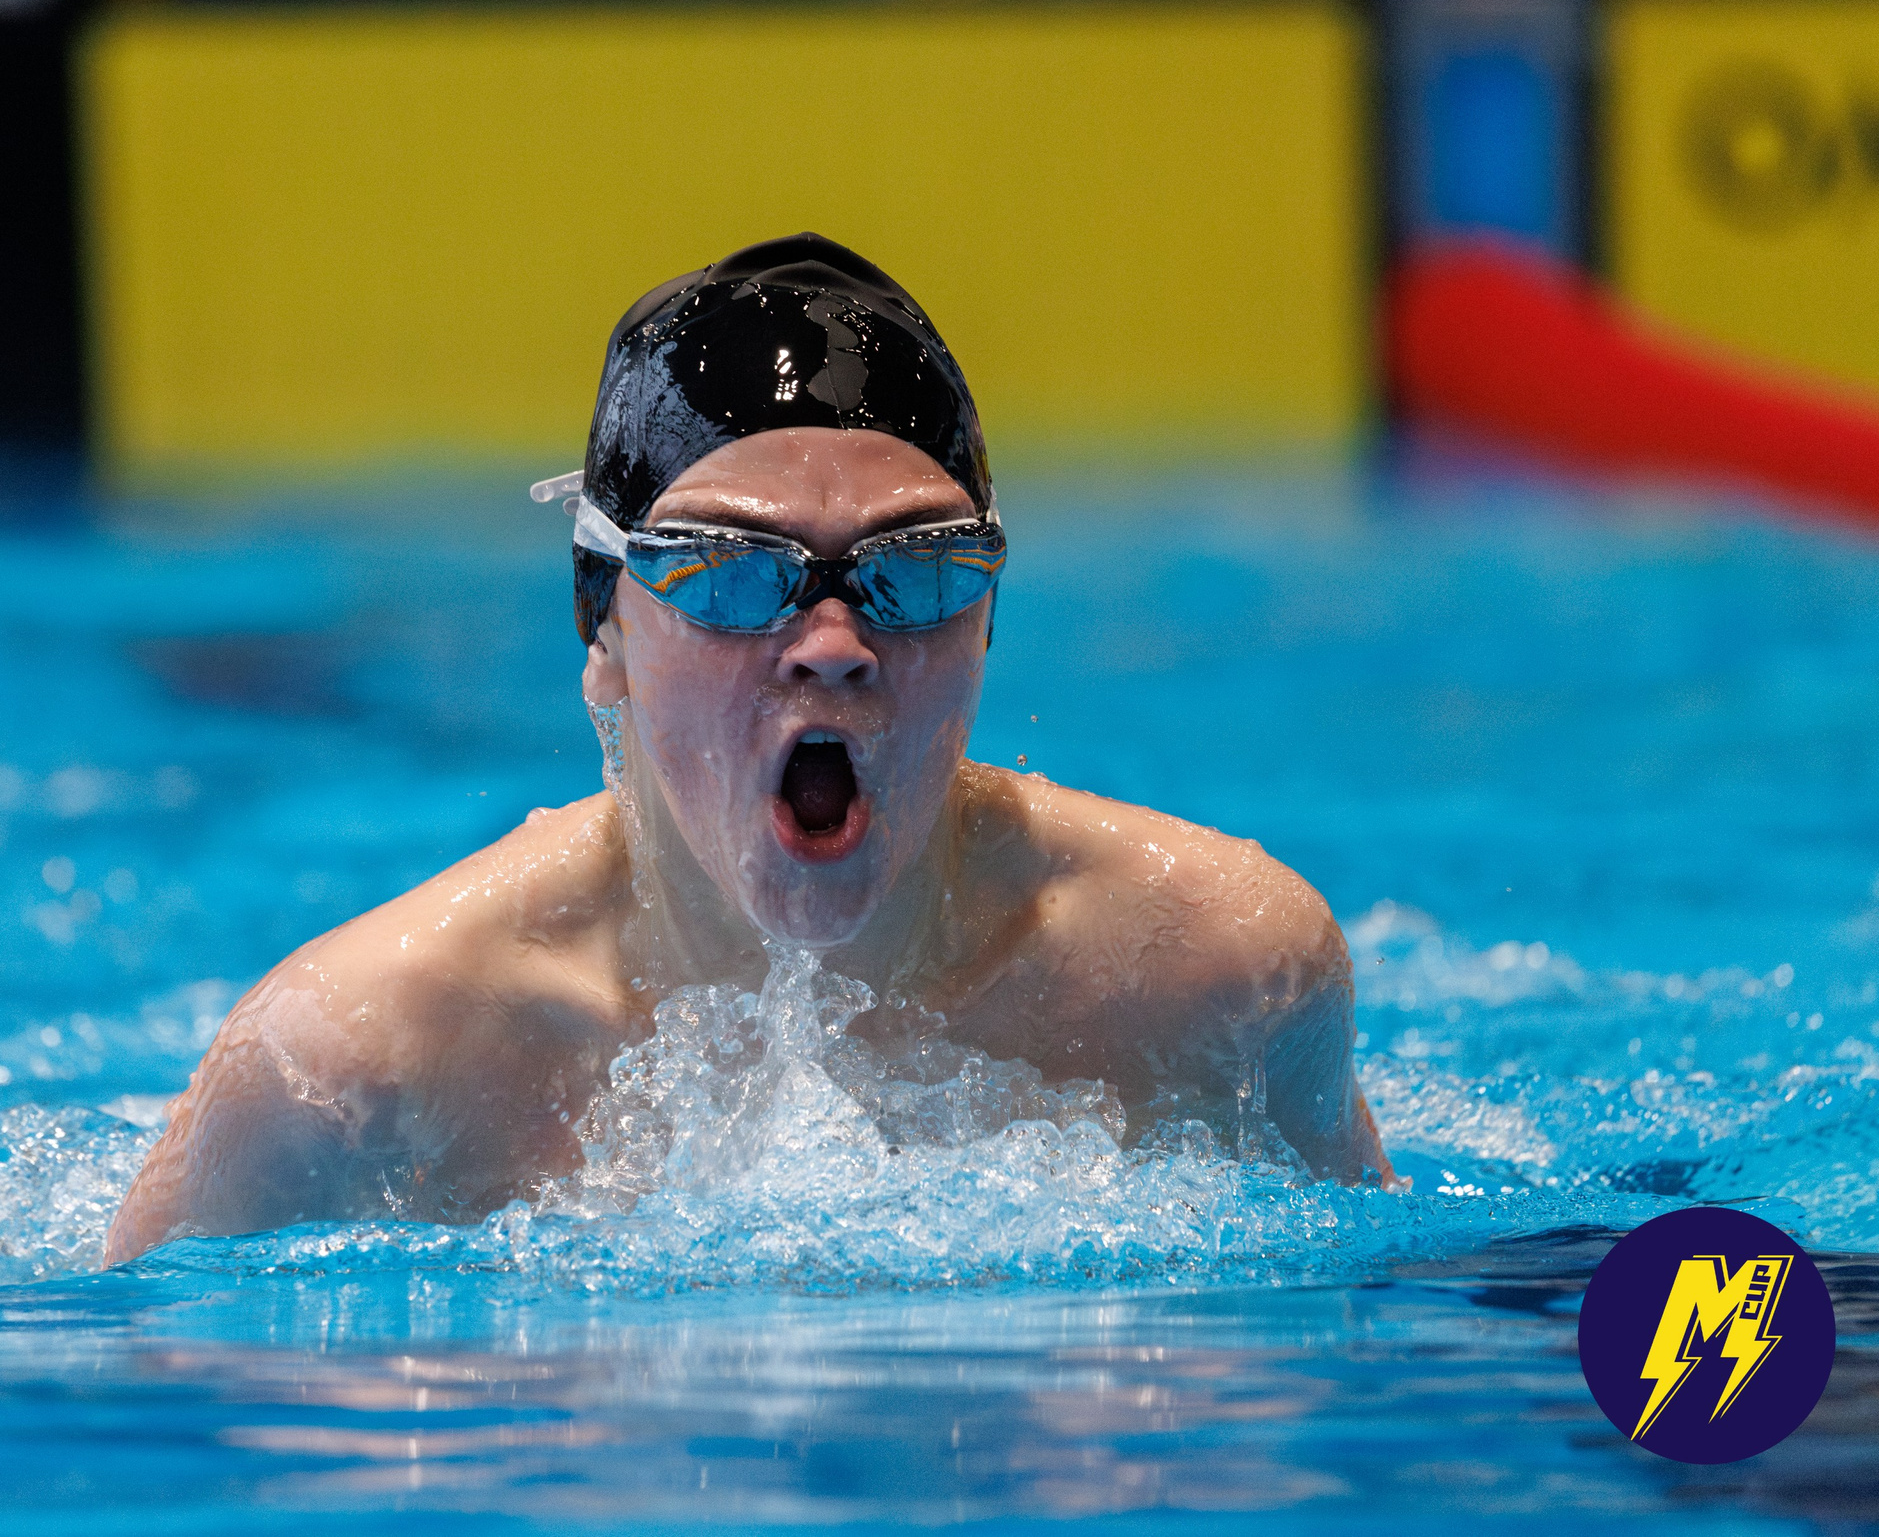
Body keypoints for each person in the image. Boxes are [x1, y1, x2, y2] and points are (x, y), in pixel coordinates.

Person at [104, 233, 1393, 1264]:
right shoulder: (352, 1067)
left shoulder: (1222, 972)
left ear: (988, 620)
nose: (831, 643)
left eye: (916, 571)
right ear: (605, 631)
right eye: (730, 573)